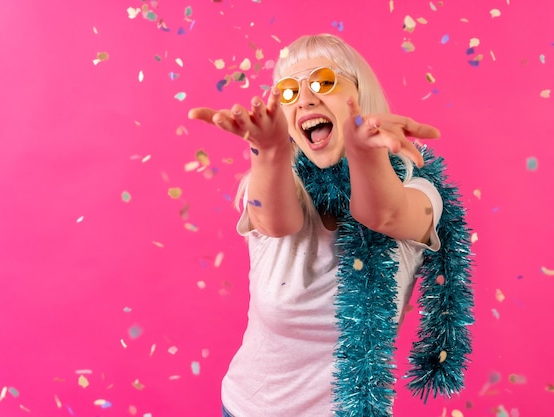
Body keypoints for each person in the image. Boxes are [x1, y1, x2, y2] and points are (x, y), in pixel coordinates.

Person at [188, 34, 470, 417]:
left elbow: (384, 213)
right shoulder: (271, 184)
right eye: (288, 91)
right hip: (247, 407)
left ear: (360, 89)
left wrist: (361, 151)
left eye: (323, 81)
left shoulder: (418, 188)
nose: (305, 98)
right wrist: (269, 152)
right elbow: (274, 220)